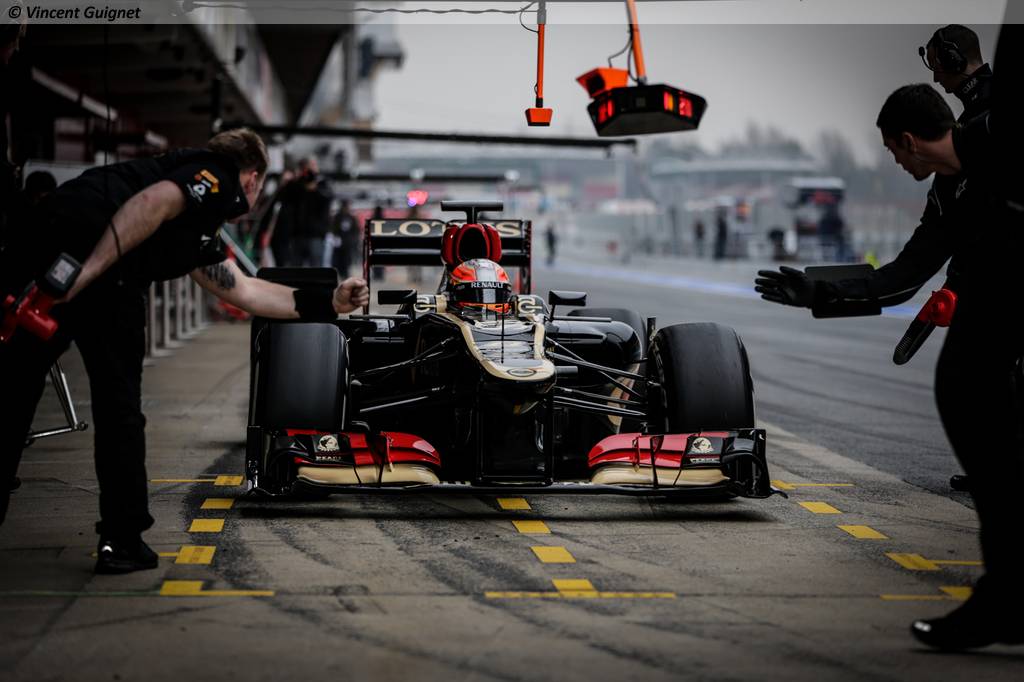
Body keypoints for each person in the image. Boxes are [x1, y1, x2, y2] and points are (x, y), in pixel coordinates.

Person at [0, 128, 369, 574]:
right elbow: (150, 204)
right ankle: (122, 539)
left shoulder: (194, 224)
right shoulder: (216, 176)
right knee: (117, 409)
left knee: (15, 393)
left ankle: (121, 537)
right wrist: (83, 275)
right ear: (253, 177)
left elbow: (246, 291)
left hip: (52, 252)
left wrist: (329, 303)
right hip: (90, 272)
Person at [755, 84, 1024, 651]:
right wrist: (818, 291)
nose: (896, 164)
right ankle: (1006, 595)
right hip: (996, 315)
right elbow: (903, 275)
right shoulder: (948, 193)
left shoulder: (999, 135)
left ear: (908, 140)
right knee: (968, 401)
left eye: (892, 152)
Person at [920, 24, 992, 123]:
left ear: (952, 60)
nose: (935, 79)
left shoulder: (977, 117)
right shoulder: (968, 119)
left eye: (936, 68)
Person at [277, 157, 332, 267]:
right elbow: (283, 198)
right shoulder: (296, 183)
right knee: (296, 267)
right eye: (307, 167)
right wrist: (288, 182)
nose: (310, 170)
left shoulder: (322, 182)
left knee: (316, 267)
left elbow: (328, 198)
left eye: (313, 166)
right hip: (297, 234)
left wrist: (315, 189)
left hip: (316, 234)